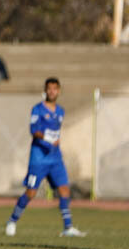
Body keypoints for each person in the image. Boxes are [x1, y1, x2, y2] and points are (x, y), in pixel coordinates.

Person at [5, 78, 83, 237]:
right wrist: (48, 138)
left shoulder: (60, 111)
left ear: (59, 91)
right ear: (45, 90)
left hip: (55, 158)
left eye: (55, 88)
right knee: (31, 193)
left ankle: (68, 227)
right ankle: (12, 220)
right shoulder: (37, 109)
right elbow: (33, 130)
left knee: (64, 190)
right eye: (49, 88)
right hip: (38, 159)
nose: (52, 91)